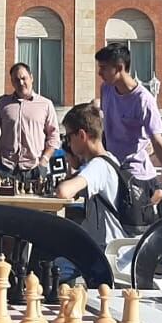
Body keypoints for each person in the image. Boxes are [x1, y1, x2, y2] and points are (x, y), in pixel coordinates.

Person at [95, 44, 162, 209]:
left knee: (134, 227)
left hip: (136, 174)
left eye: (104, 68)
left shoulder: (143, 100)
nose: (100, 73)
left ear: (119, 68)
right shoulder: (106, 89)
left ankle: (156, 196)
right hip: (112, 169)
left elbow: (158, 142)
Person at [54, 103, 125, 251]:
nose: (67, 142)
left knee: (58, 262)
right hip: (111, 247)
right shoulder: (110, 159)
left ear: (81, 135)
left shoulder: (98, 166)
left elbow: (63, 192)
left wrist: (65, 184)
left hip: (107, 251)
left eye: (68, 137)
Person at [0, 63, 59, 183]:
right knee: (3, 202)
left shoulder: (45, 104)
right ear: (12, 82)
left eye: (23, 78)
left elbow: (54, 136)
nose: (20, 83)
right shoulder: (3, 103)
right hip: (6, 167)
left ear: (31, 78)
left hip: (34, 168)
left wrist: (44, 160)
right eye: (16, 80)